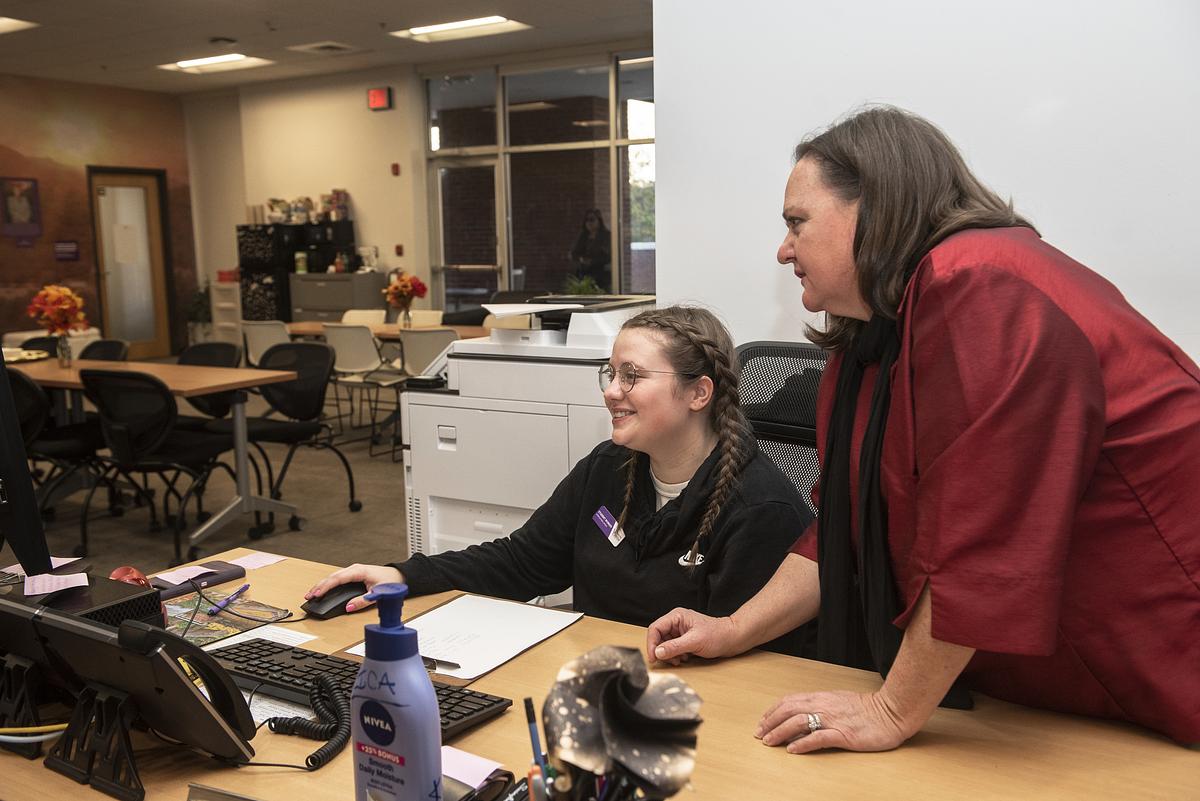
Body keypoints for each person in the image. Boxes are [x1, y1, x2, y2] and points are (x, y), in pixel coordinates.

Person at [646, 106, 1200, 752]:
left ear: (873, 208)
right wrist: (734, 628)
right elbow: (844, 529)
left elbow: (982, 539)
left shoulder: (980, 286)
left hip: (1165, 641)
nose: (784, 248)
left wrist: (891, 708)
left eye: (798, 222)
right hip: (1059, 689)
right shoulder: (874, 334)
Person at [308, 306, 813, 644]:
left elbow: (741, 659)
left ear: (698, 393)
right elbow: (522, 562)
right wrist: (403, 575)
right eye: (610, 373)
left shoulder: (759, 509)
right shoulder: (608, 467)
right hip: (600, 682)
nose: (611, 391)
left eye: (632, 376)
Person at [569, 209, 612, 291]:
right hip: (584, 274)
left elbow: (607, 256)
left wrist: (592, 261)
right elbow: (573, 253)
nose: (589, 223)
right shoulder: (583, 236)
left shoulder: (606, 236)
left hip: (601, 275)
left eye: (592, 220)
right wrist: (581, 259)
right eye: (586, 220)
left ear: (599, 221)